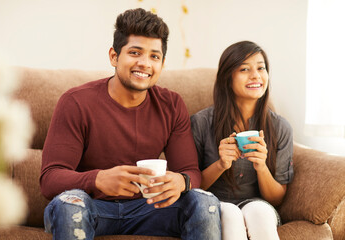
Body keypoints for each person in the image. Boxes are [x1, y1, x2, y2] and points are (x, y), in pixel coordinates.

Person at [40, 8, 221, 240]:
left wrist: (181, 181)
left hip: (149, 210)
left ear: (162, 63)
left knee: (205, 202)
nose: (145, 63)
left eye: (154, 56)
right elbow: (49, 179)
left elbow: (191, 172)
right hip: (91, 208)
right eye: (135, 52)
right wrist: (97, 179)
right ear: (114, 56)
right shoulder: (75, 102)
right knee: (70, 205)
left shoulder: (171, 105)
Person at [191, 41, 294, 240]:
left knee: (260, 213)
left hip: (256, 203)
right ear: (227, 78)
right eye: (244, 69)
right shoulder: (201, 123)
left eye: (261, 68)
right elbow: (192, 187)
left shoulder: (280, 127)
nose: (255, 75)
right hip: (212, 202)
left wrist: (261, 166)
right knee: (230, 214)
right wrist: (221, 164)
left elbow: (277, 198)